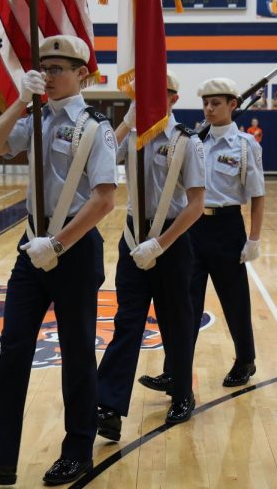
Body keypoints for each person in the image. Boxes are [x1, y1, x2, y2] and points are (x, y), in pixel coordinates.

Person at [0, 35, 116, 487]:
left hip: (75, 250)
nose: (49, 74)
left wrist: (59, 244)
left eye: (58, 67)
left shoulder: (94, 126)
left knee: (78, 353)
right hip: (31, 248)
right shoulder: (37, 117)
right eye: (43, 67)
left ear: (83, 73)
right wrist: (20, 100)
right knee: (13, 350)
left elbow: (104, 199)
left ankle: (78, 451)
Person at [96, 70, 205, 443]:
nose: (148, 104)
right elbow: (100, 153)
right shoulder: (131, 137)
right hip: (132, 238)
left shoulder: (185, 142)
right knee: (127, 322)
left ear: (173, 99)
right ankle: (108, 406)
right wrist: (126, 122)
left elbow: (195, 205)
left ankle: (182, 392)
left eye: (158, 96)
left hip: (171, 243)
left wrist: (161, 244)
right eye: (142, 98)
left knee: (176, 322)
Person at [140, 78, 265, 394]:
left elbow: (258, 195)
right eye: (205, 103)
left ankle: (245, 360)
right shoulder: (193, 139)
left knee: (235, 301)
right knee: (184, 305)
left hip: (227, 228)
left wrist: (254, 239)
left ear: (232, 105)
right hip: (192, 228)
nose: (209, 109)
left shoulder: (246, 146)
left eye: (216, 103)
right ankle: (174, 371)